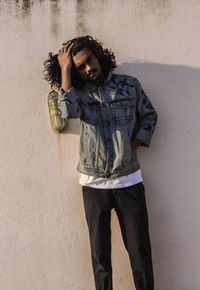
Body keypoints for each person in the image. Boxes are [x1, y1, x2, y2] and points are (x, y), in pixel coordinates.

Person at [44, 35, 157, 290]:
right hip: (94, 186)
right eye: (80, 67)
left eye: (89, 61)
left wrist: (133, 147)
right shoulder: (78, 94)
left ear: (98, 55)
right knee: (100, 260)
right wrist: (65, 70)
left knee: (140, 255)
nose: (88, 68)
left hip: (129, 181)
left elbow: (149, 115)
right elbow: (67, 112)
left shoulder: (129, 86)